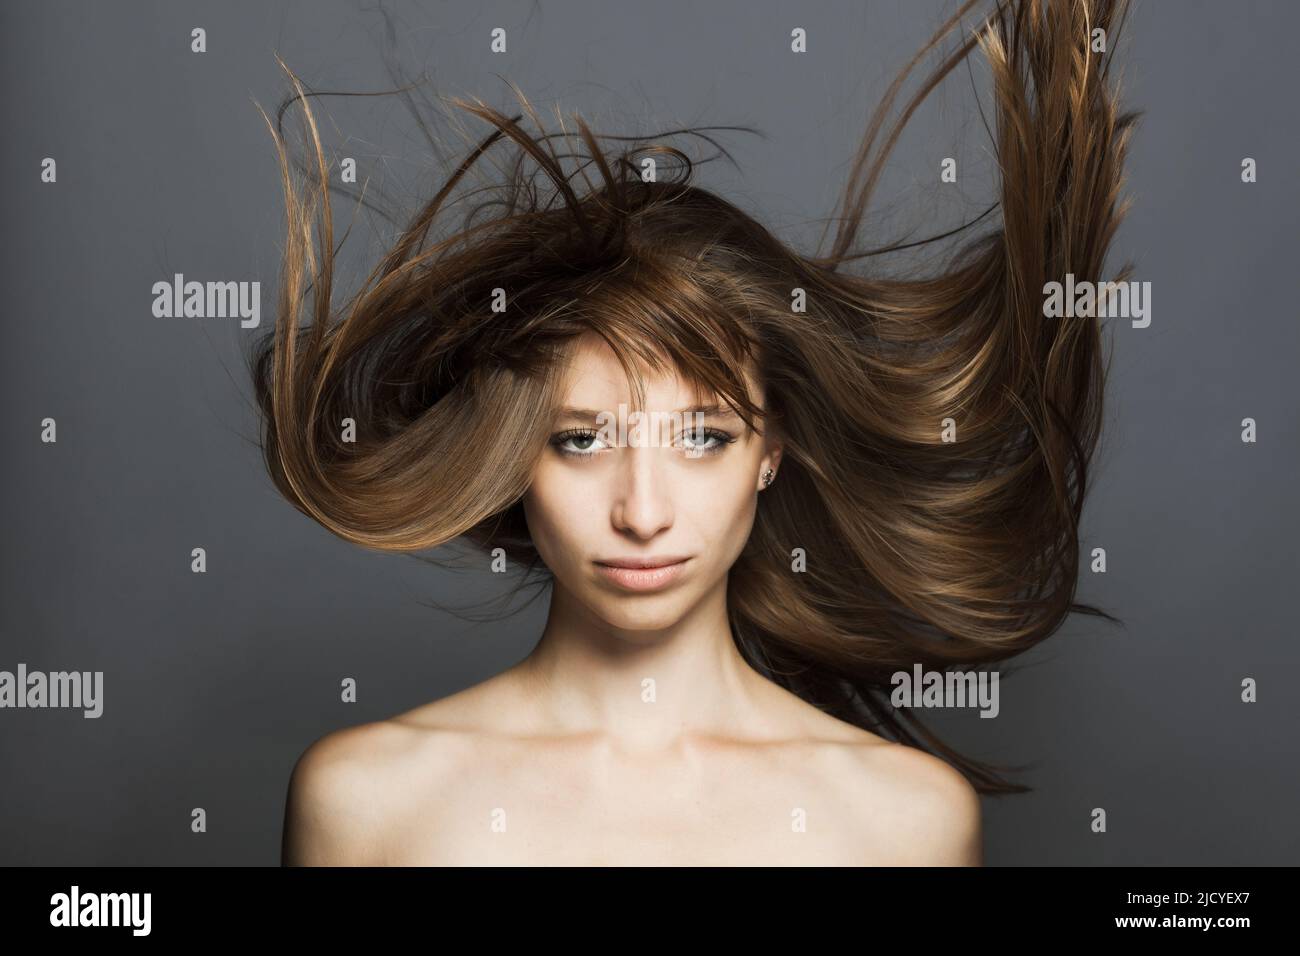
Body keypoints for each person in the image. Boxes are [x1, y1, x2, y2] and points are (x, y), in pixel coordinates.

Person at [251, 0, 1136, 865]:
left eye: (704, 437)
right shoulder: (364, 802)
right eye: (582, 441)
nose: (643, 512)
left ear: (771, 452)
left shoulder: (902, 823)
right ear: (511, 455)